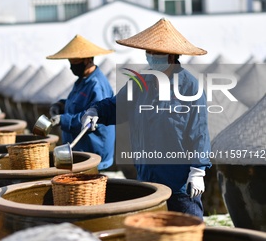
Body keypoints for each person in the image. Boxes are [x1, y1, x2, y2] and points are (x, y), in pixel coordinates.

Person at [81, 18, 212, 219]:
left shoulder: (190, 88)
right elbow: (117, 106)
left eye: (156, 53)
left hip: (179, 181)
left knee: (187, 229)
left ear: (171, 56)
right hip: (148, 176)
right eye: (148, 52)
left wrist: (198, 171)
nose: (151, 57)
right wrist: (95, 111)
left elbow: (199, 132)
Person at [47, 34, 115, 170]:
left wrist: (63, 120)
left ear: (88, 60)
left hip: (94, 150)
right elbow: (78, 102)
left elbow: (92, 119)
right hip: (82, 148)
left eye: (75, 62)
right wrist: (61, 105)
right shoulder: (83, 80)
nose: (72, 66)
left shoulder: (96, 84)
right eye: (70, 62)